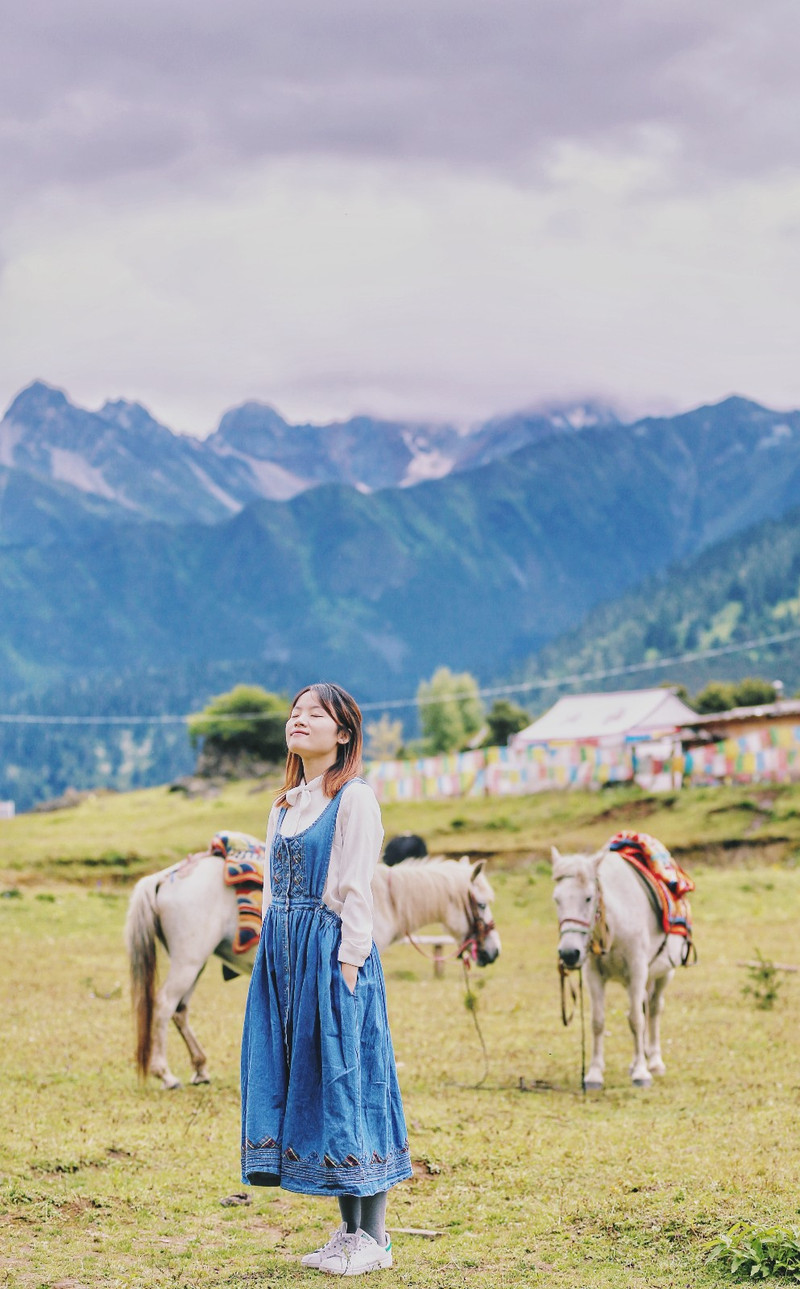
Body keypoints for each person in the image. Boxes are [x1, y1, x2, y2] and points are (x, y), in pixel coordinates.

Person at [241, 682, 412, 1276]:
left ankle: (378, 1238)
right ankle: (347, 1232)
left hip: (335, 956)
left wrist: (348, 965)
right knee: (314, 1085)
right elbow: (270, 892)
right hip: (285, 961)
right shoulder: (285, 804)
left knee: (353, 1081)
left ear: (343, 734)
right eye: (294, 712)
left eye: (316, 713)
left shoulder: (355, 799)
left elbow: (355, 888)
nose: (299, 719)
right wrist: (270, 962)